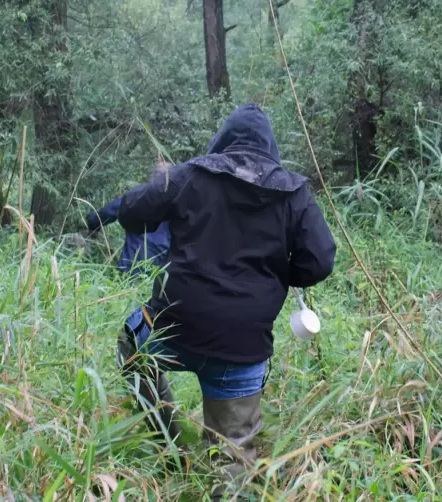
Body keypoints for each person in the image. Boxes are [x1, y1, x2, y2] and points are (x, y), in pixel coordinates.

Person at [115, 103, 336, 498]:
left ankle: (171, 447)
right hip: (242, 344)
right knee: (232, 455)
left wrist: (165, 185)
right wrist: (277, 276)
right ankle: (212, 476)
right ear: (270, 146)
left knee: (131, 347)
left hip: (174, 327)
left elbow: (132, 211)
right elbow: (319, 261)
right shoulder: (293, 193)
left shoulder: (191, 176)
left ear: (223, 139)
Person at [84, 161, 173, 276]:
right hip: (163, 270)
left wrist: (92, 223)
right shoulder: (178, 202)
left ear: (152, 176)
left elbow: (108, 212)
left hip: (132, 265)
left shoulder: (139, 195)